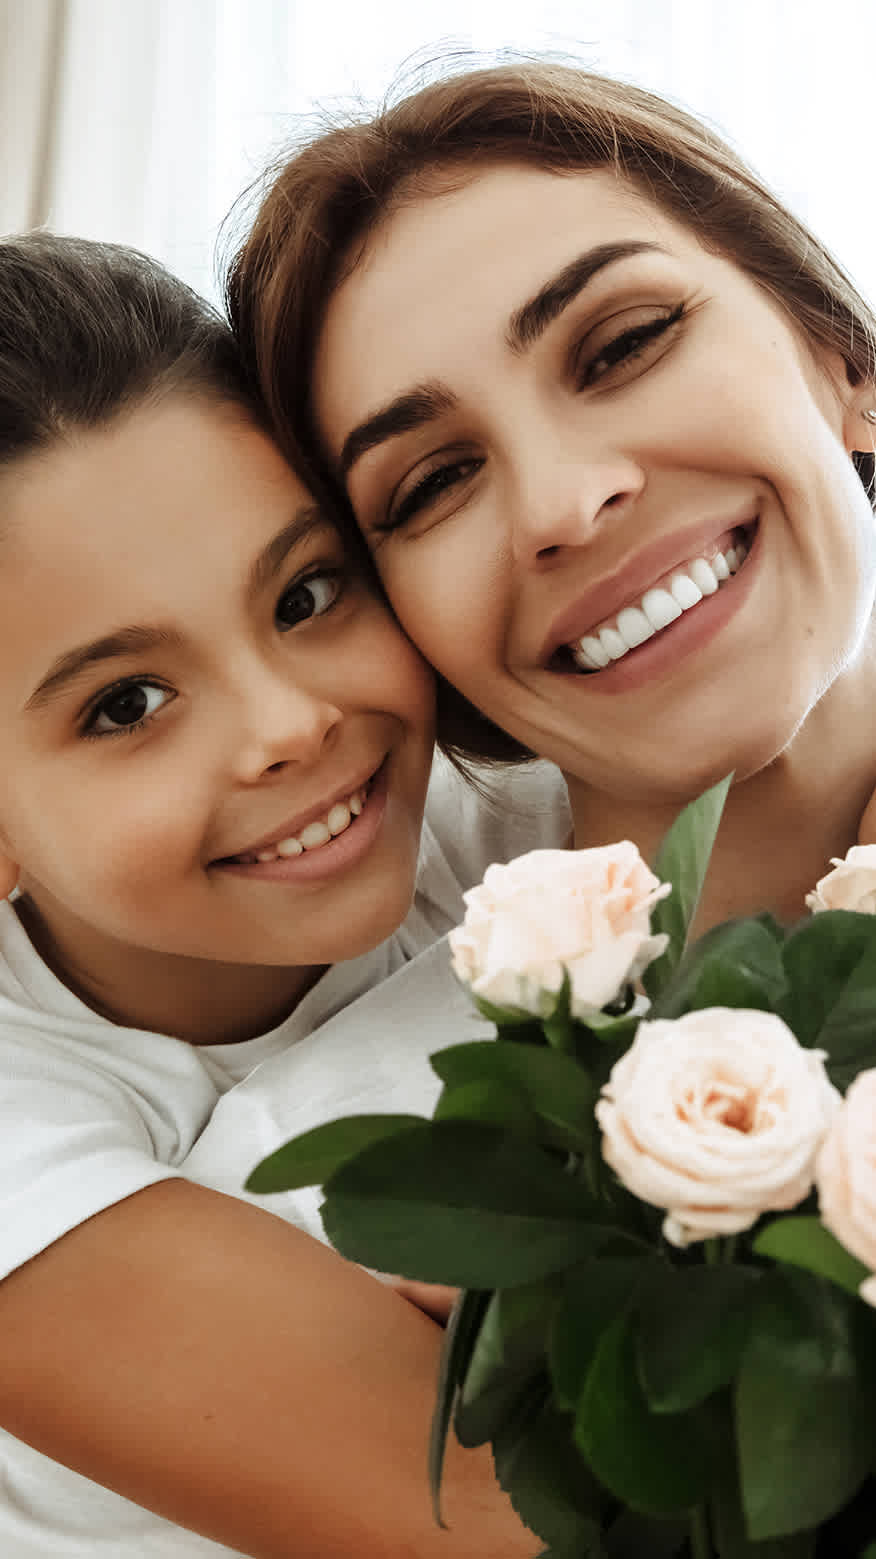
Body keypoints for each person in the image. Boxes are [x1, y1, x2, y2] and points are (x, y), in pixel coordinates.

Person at [0, 231, 567, 1557]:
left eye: (307, 591)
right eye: (125, 702)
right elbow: (508, 1527)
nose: (291, 724)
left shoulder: (522, 800)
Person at [226, 60, 876, 924]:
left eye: (625, 345)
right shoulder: (377, 1067)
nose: (559, 505)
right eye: (435, 484)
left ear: (841, 355)